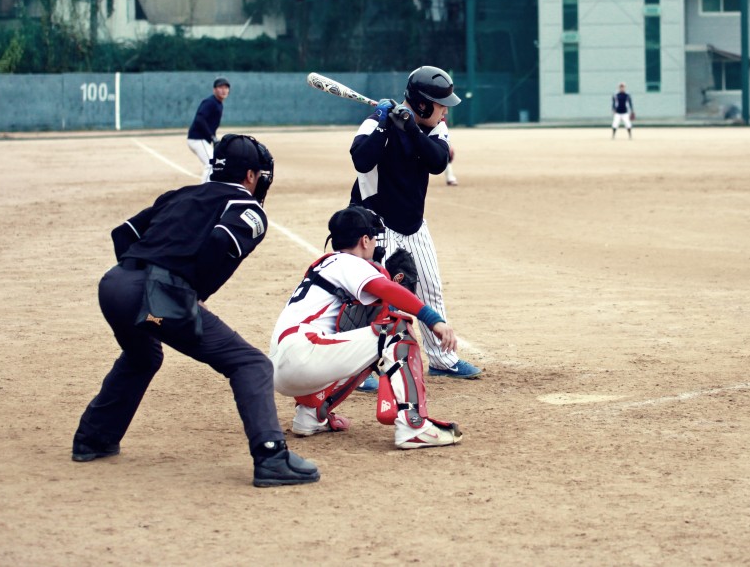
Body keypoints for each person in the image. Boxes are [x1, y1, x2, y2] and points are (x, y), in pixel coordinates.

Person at [71, 134, 319, 488]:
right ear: (251, 175)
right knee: (251, 364)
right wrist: (190, 290)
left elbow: (123, 233)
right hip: (157, 293)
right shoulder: (247, 207)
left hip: (113, 284)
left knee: (142, 356)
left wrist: (140, 279)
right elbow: (221, 240)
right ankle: (271, 457)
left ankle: (93, 439)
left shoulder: (180, 194)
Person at [269, 206, 463, 449]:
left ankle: (310, 414)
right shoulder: (349, 262)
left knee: (371, 342)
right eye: (373, 239)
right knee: (396, 331)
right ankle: (414, 425)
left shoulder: (326, 265)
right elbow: (386, 289)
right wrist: (433, 320)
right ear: (364, 240)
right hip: (304, 354)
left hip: (283, 368)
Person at [349, 66, 482, 385]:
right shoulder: (376, 121)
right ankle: (357, 368)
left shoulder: (435, 127)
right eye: (440, 105)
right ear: (422, 104)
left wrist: (409, 128)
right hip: (375, 224)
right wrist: (384, 121)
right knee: (369, 295)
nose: (445, 111)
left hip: (412, 223)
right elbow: (361, 159)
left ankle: (442, 359)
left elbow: (437, 162)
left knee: (430, 289)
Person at [187, 77, 230, 181]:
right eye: (220, 87)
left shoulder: (218, 103)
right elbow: (200, 119)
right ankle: (206, 189)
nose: (224, 90)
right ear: (214, 90)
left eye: (226, 87)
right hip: (197, 139)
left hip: (201, 140)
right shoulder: (210, 102)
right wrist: (212, 137)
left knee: (215, 163)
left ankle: (210, 186)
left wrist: (213, 138)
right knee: (211, 163)